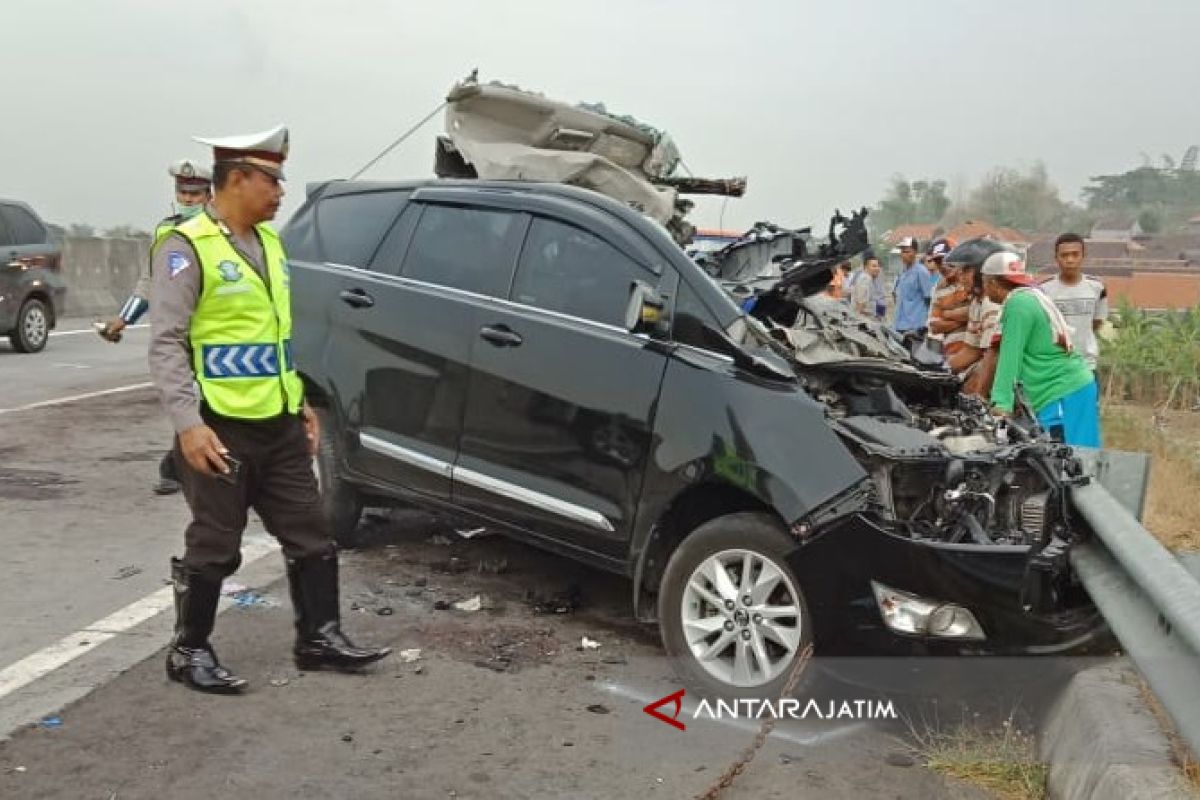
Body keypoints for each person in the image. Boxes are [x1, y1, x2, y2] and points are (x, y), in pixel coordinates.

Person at [148, 125, 390, 693]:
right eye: (273, 180)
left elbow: (277, 336)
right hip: (219, 427)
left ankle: (319, 638)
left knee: (311, 534)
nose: (282, 192)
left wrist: (301, 401)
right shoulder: (187, 248)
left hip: (279, 423)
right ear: (236, 180)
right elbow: (165, 343)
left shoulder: (272, 245)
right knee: (216, 544)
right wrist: (188, 426)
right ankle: (189, 651)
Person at [96, 159, 213, 495]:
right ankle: (179, 465)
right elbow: (150, 281)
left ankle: (180, 463)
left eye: (195, 194)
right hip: (179, 332)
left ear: (209, 194)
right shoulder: (167, 231)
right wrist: (122, 320)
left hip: (218, 330)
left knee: (214, 400)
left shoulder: (225, 231)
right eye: (183, 193)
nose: (188, 200)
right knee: (190, 399)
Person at [983, 251, 1100, 447]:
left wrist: (1001, 404)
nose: (984, 288)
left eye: (984, 282)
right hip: (1064, 388)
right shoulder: (1031, 296)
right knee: (1065, 460)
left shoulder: (1018, 305)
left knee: (1073, 459)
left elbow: (1010, 357)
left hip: (1063, 390)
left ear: (993, 283)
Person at [941, 239, 1007, 397]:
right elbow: (970, 352)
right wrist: (939, 371)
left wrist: (979, 397)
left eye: (966, 270)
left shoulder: (991, 305)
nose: (960, 275)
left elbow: (993, 357)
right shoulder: (977, 303)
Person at [1038, 233, 1107, 372]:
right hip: (1055, 365)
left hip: (1087, 364)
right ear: (1056, 258)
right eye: (1064, 255)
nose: (1070, 260)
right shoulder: (1044, 290)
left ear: (1083, 256)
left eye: (1075, 254)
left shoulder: (1097, 287)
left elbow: (1096, 323)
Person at [925, 238, 971, 358]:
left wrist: (946, 314)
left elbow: (975, 312)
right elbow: (934, 327)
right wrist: (963, 321)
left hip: (974, 353)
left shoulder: (970, 280)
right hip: (950, 355)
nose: (943, 266)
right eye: (938, 262)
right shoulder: (938, 289)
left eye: (946, 260)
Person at [891, 236, 936, 333]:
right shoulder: (902, 272)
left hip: (915, 326)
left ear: (915, 252)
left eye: (907, 251)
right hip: (899, 324)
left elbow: (929, 298)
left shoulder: (921, 272)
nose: (904, 255)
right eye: (902, 252)